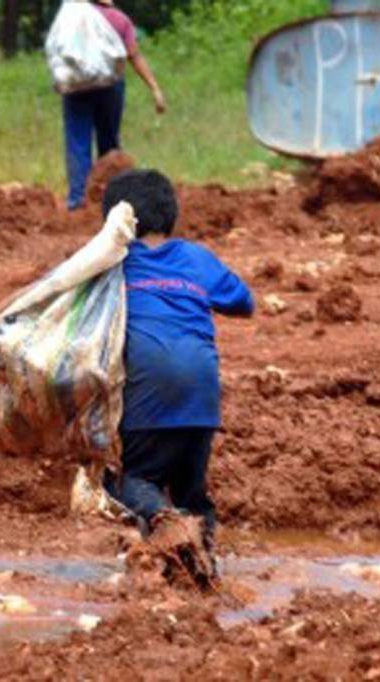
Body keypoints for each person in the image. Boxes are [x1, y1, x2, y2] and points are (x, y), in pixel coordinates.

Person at [102, 169, 254, 556]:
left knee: (131, 483)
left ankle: (166, 523)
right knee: (191, 491)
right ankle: (203, 568)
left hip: (148, 392)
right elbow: (243, 302)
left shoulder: (111, 264)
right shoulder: (195, 258)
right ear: (171, 217)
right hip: (202, 396)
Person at [62, 0, 166, 211]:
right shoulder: (120, 20)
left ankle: (78, 200)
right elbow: (134, 55)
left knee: (78, 142)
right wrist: (154, 88)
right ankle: (112, 199)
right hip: (110, 87)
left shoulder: (72, 17)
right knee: (109, 143)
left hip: (76, 86)